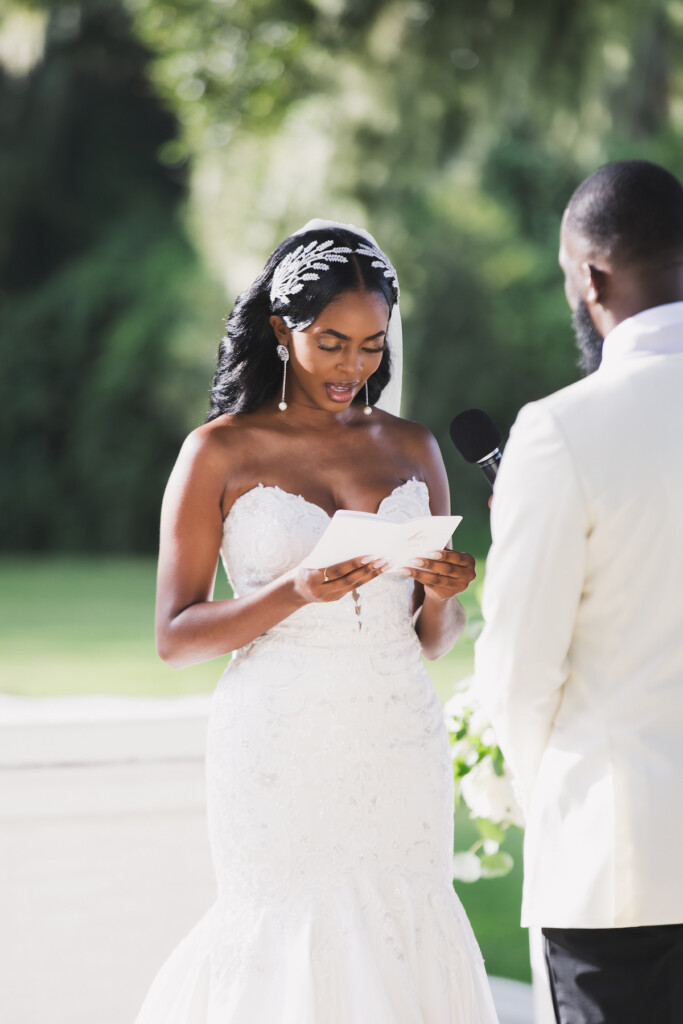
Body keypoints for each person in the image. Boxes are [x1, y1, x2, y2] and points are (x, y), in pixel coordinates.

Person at [134, 220, 500, 1024]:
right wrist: (292, 591)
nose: (352, 368)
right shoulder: (217, 452)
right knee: (286, 928)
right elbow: (174, 636)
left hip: (397, 732)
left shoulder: (411, 447)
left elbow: (432, 640)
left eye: (371, 346)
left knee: (403, 921)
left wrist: (442, 591)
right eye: (331, 344)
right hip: (278, 739)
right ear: (279, 329)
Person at [474, 160, 683, 1024]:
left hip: (619, 862)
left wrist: (540, 794)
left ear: (590, 278)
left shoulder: (559, 430)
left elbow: (519, 669)